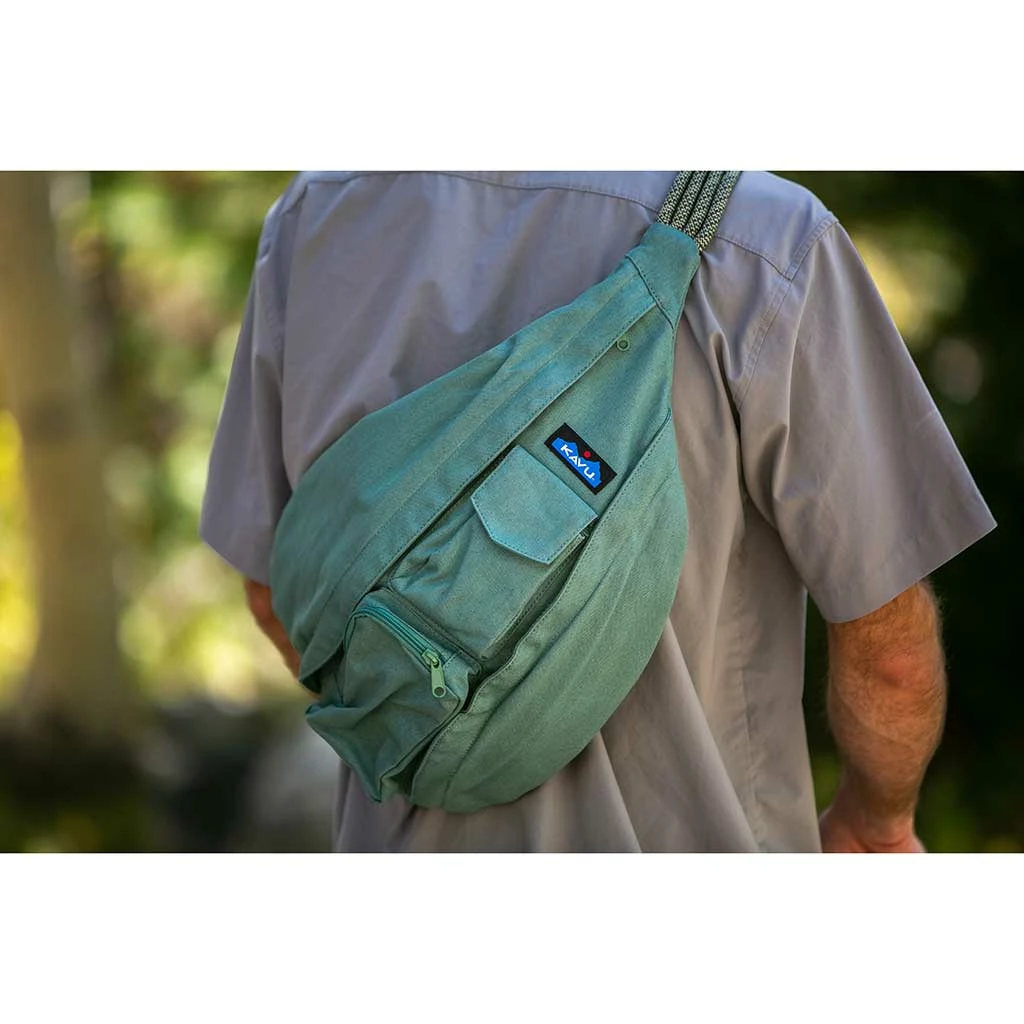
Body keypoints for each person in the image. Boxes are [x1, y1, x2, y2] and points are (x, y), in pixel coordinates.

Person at [200, 171, 995, 853]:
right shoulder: (764, 239)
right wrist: (876, 822)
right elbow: (888, 653)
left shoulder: (316, 214)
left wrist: (431, 719)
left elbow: (272, 594)